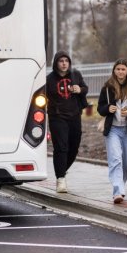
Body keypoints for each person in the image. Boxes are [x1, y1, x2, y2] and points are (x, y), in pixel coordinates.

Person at [97, 59, 127, 204]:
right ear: (114, 71)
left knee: (126, 163)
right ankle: (118, 191)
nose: (120, 72)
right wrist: (107, 109)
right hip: (113, 130)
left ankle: (120, 186)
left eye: (123, 69)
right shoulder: (107, 87)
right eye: (118, 69)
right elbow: (100, 108)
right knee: (115, 159)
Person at [46, 51, 89, 193]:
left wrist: (79, 89)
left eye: (66, 61)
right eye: (61, 61)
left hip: (74, 115)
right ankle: (61, 179)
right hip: (57, 117)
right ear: (56, 63)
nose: (64, 63)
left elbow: (85, 88)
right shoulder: (49, 79)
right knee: (61, 147)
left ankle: (61, 170)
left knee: (74, 147)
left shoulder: (75, 75)